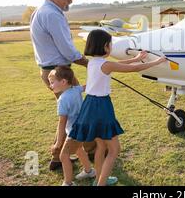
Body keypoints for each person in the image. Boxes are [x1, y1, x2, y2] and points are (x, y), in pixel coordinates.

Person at [61, 29, 167, 186]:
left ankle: (99, 179)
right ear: (105, 46)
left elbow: (117, 65)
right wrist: (157, 61)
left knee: (102, 145)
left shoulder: (92, 63)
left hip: (89, 105)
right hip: (101, 107)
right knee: (114, 150)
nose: (111, 46)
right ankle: (101, 184)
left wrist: (136, 58)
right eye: (110, 43)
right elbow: (132, 69)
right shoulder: (105, 64)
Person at [30, 0, 95, 170]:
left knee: (69, 113)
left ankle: (60, 156)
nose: (70, 2)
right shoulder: (52, 15)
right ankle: (78, 152)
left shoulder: (40, 11)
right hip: (60, 73)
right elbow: (67, 50)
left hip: (50, 71)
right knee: (77, 113)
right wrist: (89, 63)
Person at [48, 66, 96, 186]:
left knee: (63, 156)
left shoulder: (62, 99)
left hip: (74, 131)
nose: (50, 86)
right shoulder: (75, 89)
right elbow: (85, 87)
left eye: (52, 83)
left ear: (63, 82)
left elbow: (62, 122)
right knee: (79, 150)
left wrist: (58, 143)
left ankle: (68, 183)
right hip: (83, 127)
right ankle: (89, 171)